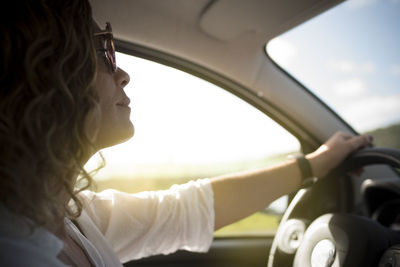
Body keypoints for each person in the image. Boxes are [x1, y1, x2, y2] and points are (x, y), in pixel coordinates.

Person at [0, 1, 372, 266]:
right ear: (47, 73)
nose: (122, 74)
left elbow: (189, 209)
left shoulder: (71, 216)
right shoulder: (14, 251)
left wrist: (316, 163)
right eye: (103, 50)